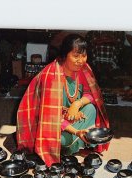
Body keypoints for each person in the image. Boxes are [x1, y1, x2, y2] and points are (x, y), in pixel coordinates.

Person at [16, 34, 110, 166]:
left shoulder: (84, 70)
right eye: (76, 56)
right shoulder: (52, 76)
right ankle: (71, 144)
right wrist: (76, 131)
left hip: (71, 116)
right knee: (62, 140)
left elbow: (91, 94)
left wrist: (77, 104)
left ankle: (76, 145)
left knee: (90, 109)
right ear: (65, 55)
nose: (81, 60)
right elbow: (49, 117)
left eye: (83, 55)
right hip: (49, 123)